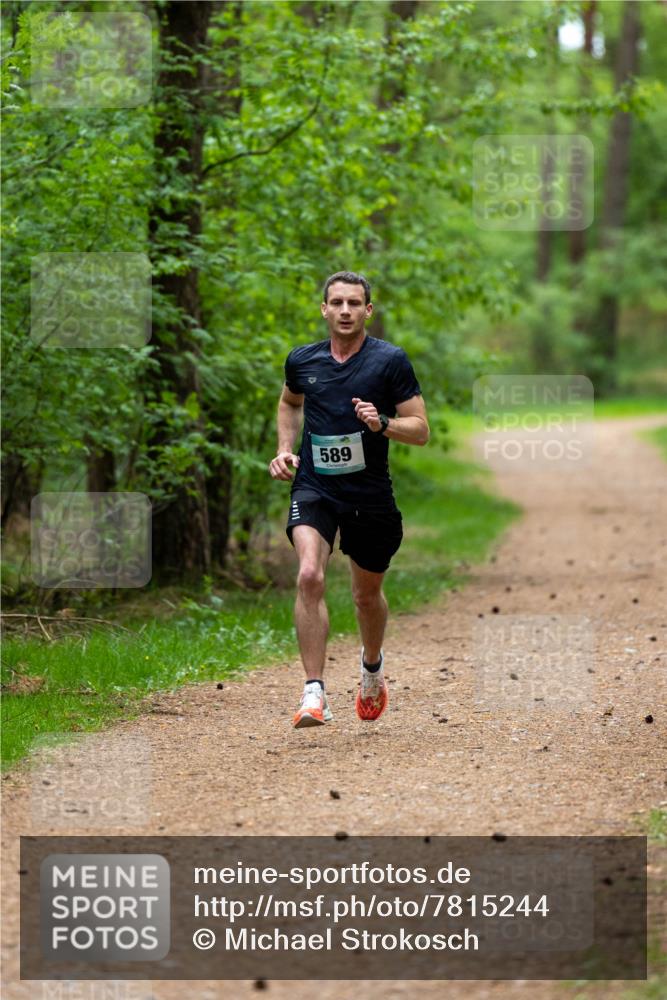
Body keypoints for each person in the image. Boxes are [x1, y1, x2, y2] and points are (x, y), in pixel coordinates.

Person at [268, 271, 429, 728]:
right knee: (309, 574)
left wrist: (383, 423)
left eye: (354, 304)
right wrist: (284, 449)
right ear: (323, 309)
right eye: (336, 303)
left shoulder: (389, 362)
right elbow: (289, 402)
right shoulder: (302, 360)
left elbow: (420, 429)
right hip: (316, 487)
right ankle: (313, 692)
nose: (344, 311)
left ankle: (372, 667)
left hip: (369, 493)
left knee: (365, 595)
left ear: (368, 311)